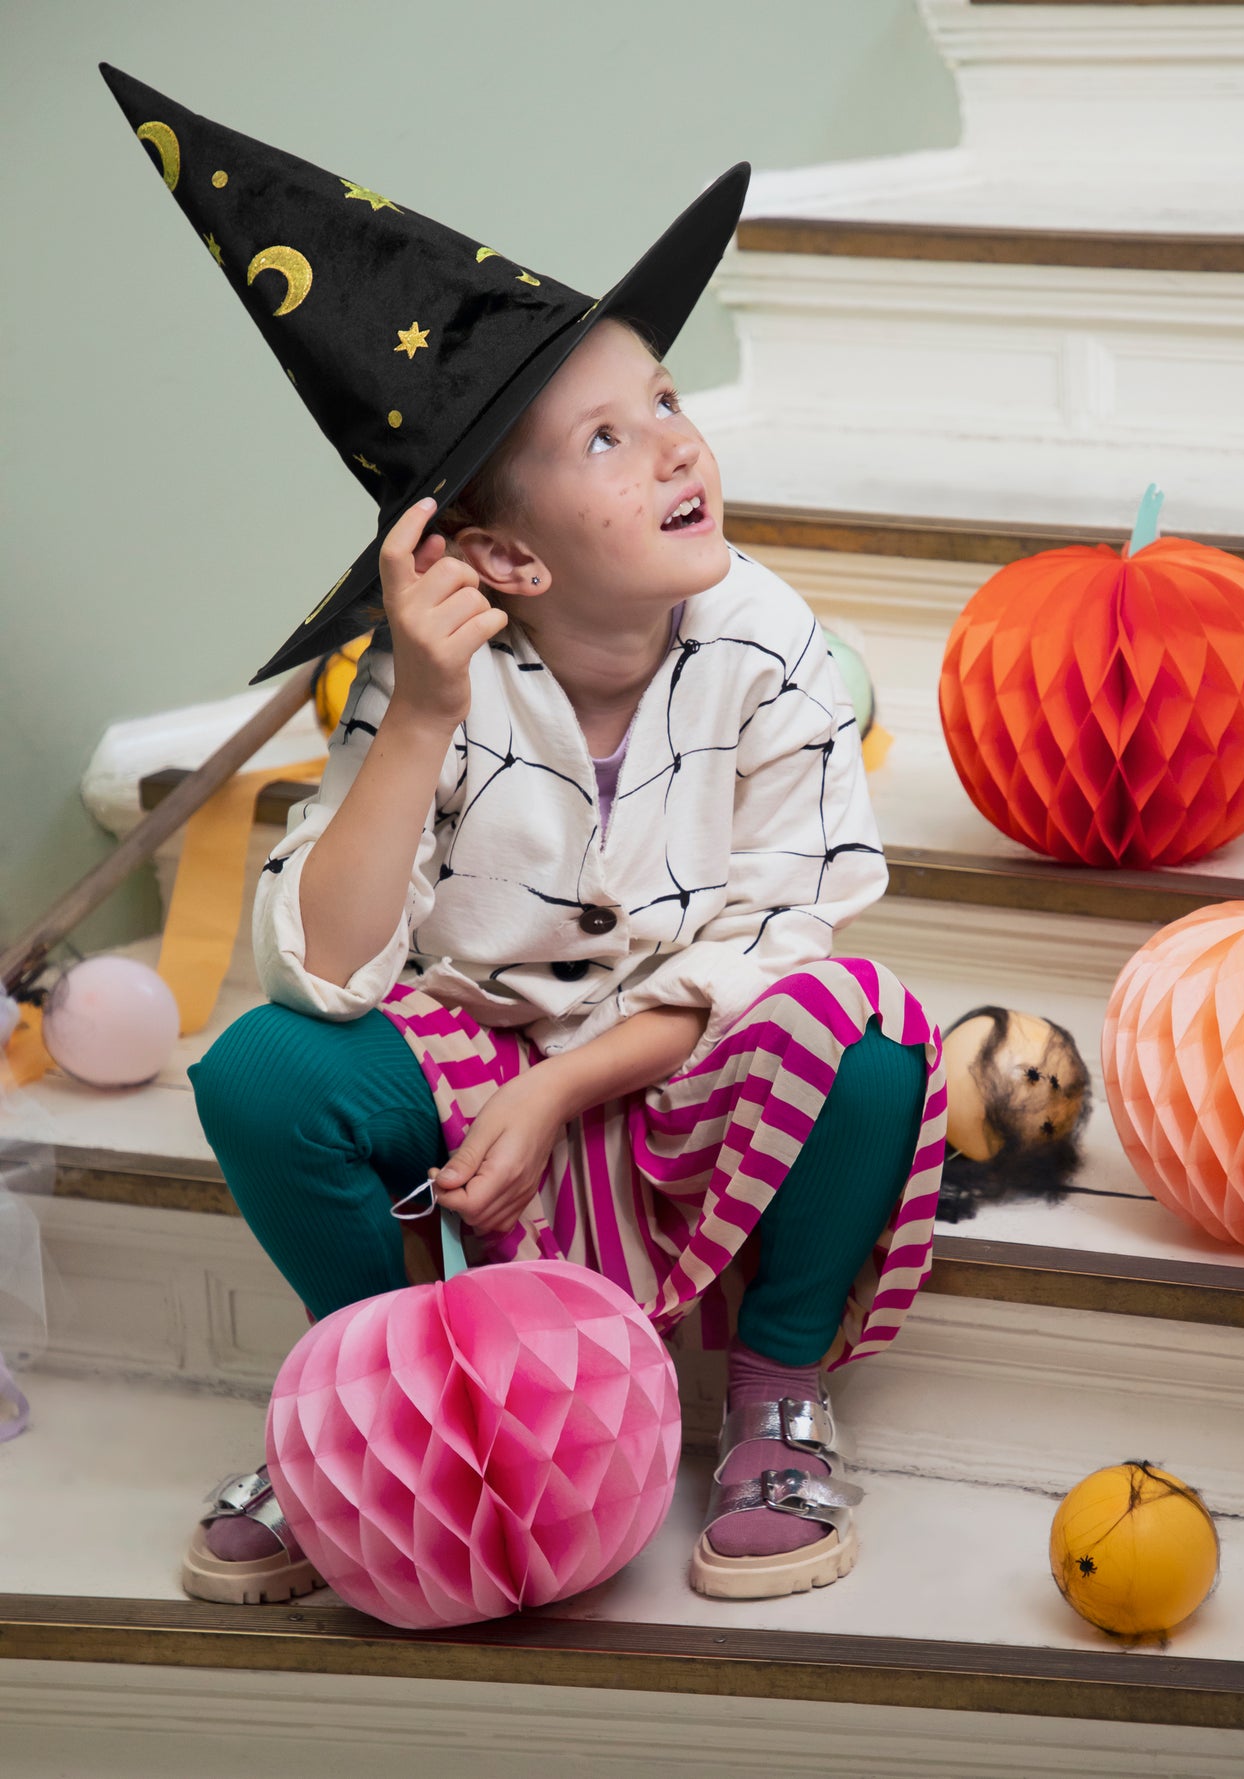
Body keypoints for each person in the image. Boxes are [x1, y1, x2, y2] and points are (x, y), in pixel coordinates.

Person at [96, 61, 944, 1609]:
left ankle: (774, 1397)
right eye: (604, 440)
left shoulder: (770, 645)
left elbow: (778, 937)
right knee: (261, 1071)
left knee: (869, 1027)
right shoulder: (434, 677)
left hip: (672, 1077)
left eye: (665, 402)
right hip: (470, 1085)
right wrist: (421, 711)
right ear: (504, 556)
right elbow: (326, 972)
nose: (676, 446)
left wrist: (564, 1088)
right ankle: (375, 1399)